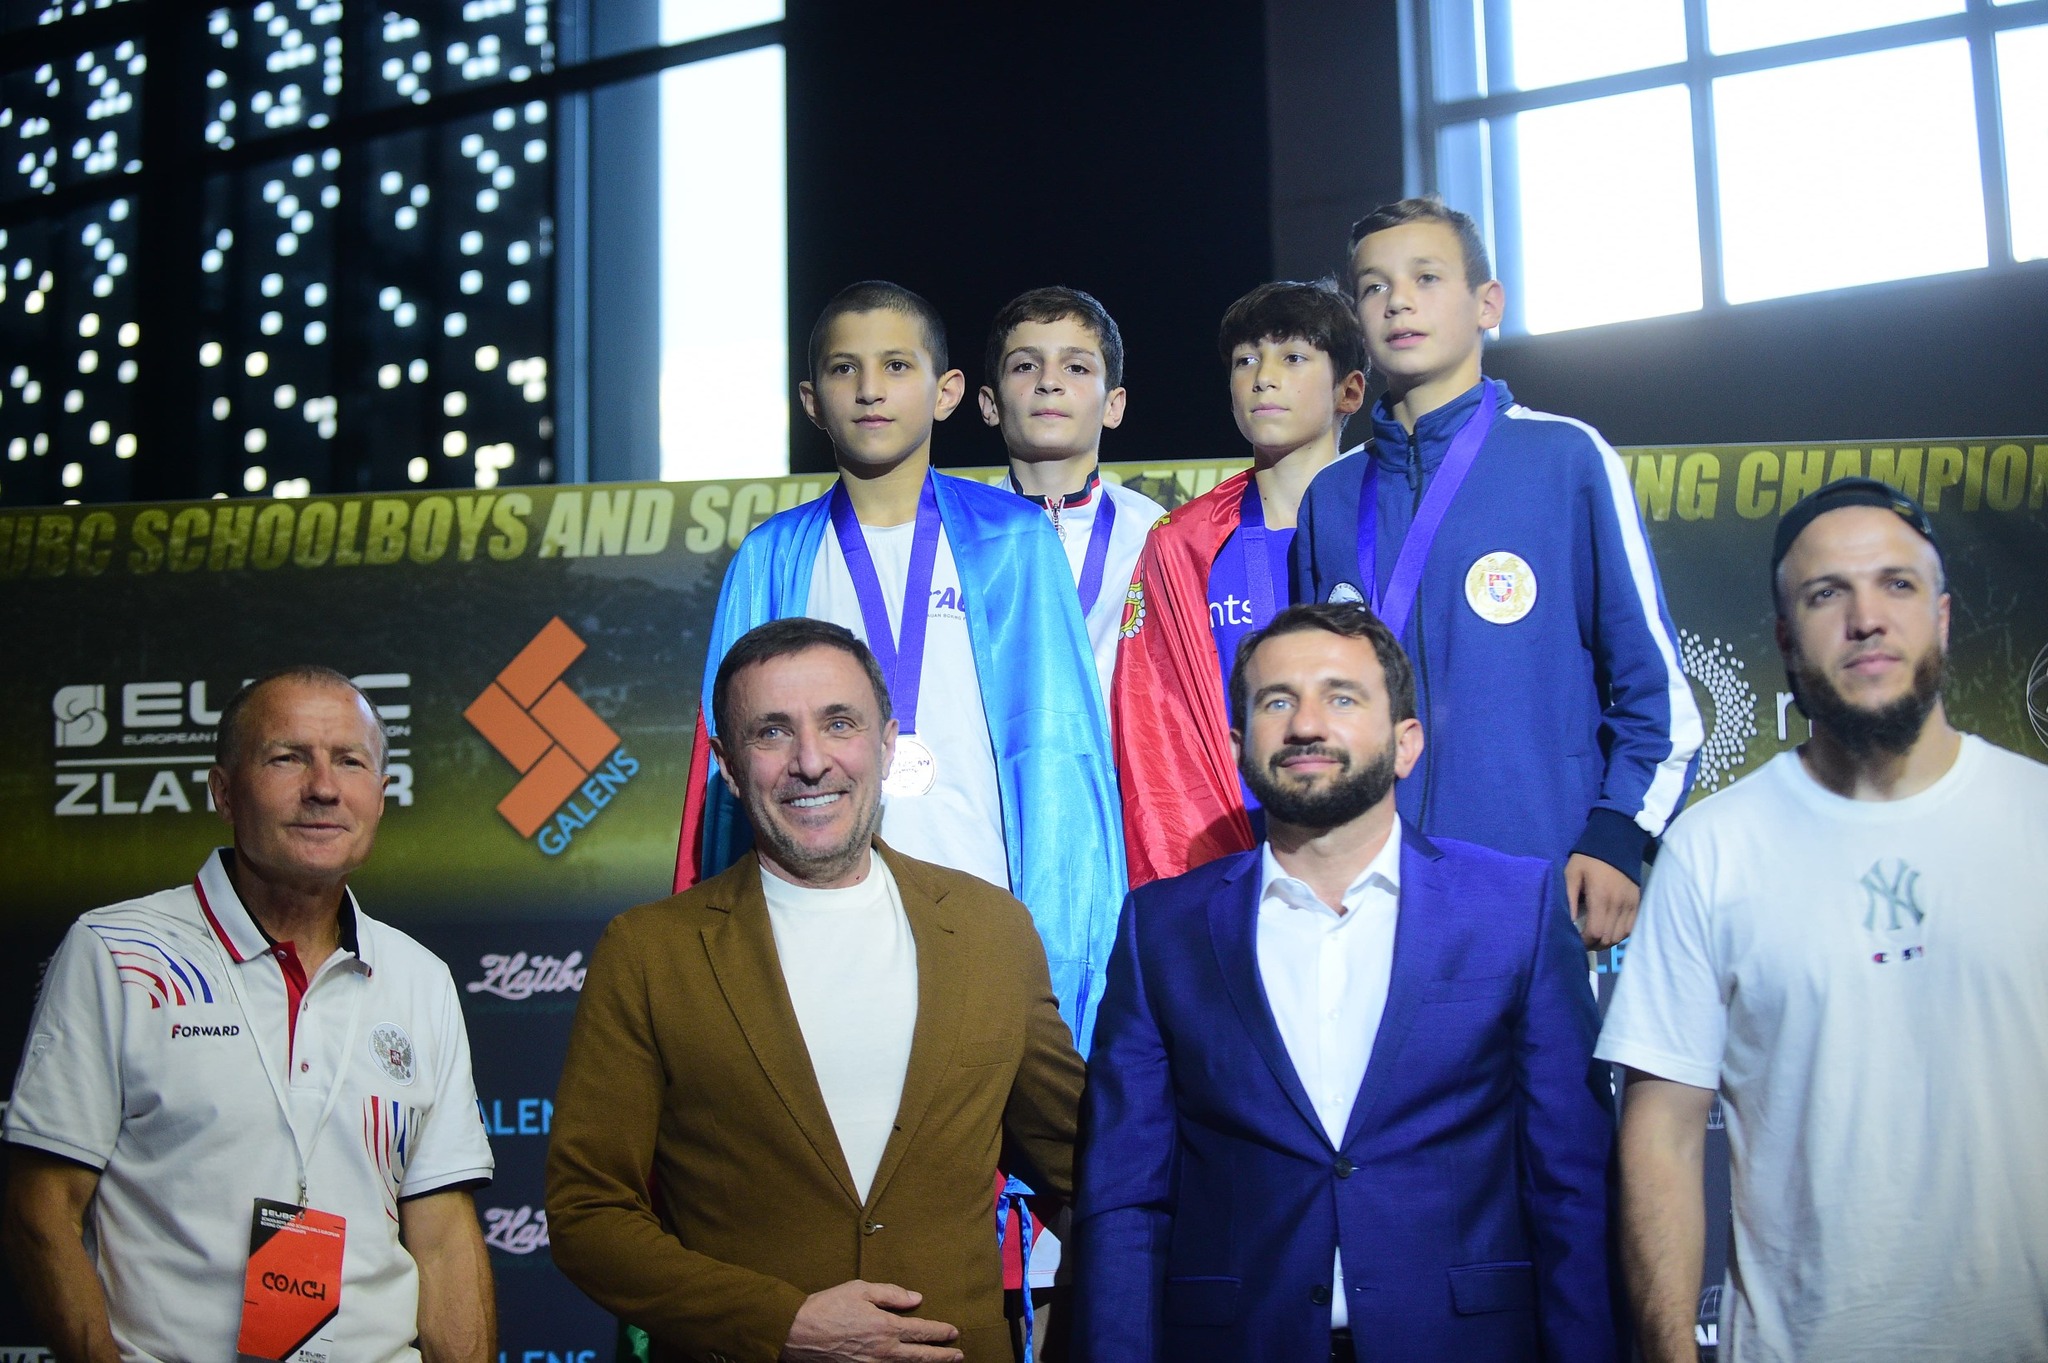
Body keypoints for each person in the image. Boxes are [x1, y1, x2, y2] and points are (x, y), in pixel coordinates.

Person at [1075, 603, 1617, 1363]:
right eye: (1277, 702)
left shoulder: (1514, 908)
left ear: (1406, 743)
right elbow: (1125, 1197)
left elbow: (1572, 1184)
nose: (1305, 725)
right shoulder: (1162, 929)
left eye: (1341, 697)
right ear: (1237, 745)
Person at [549, 618, 1084, 1363]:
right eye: (772, 732)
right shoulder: (649, 952)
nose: (810, 761)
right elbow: (586, 1213)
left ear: (886, 744)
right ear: (728, 765)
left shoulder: (992, 929)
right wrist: (779, 1323)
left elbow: (1088, 1156)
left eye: (839, 723)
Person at [1597, 478, 2048, 1363]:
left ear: (1943, 617)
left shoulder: (2037, 819)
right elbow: (1664, 1138)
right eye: (1826, 594)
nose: (1866, 619)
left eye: (1897, 584)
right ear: (1784, 638)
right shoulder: (1710, 850)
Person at [675, 280, 1125, 1050]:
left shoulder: (1015, 540)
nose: (870, 389)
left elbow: (1064, 763)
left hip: (986, 913)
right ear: (811, 401)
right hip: (814, 923)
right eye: (844, 369)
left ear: (947, 391)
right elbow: (727, 778)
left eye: (895, 365)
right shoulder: (773, 555)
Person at [2, 667, 495, 1363]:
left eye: (349, 761)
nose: (323, 787)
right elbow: (43, 1209)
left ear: (380, 796)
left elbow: (443, 1236)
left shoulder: (420, 977)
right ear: (224, 791)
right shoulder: (117, 951)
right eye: (288, 757)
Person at [1291, 197, 1700, 946]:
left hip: (1536, 882)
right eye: (1374, 286)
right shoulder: (1333, 496)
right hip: (1364, 897)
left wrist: (1619, 832)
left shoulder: (1565, 460)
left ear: (1488, 304)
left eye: (1426, 277)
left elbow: (1656, 695)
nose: (1399, 301)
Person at [1112, 282, 1367, 885]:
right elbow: (1157, 732)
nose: (1263, 378)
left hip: (1374, 847)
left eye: (1293, 357)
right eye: (1246, 360)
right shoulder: (1182, 543)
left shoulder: (1385, 526)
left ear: (1350, 391)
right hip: (1234, 861)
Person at [979, 285, 1167, 707]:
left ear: (1113, 406)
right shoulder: (960, 532)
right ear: (990, 404)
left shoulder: (1153, 532)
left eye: (1077, 368)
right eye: (1025, 366)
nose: (1049, 382)